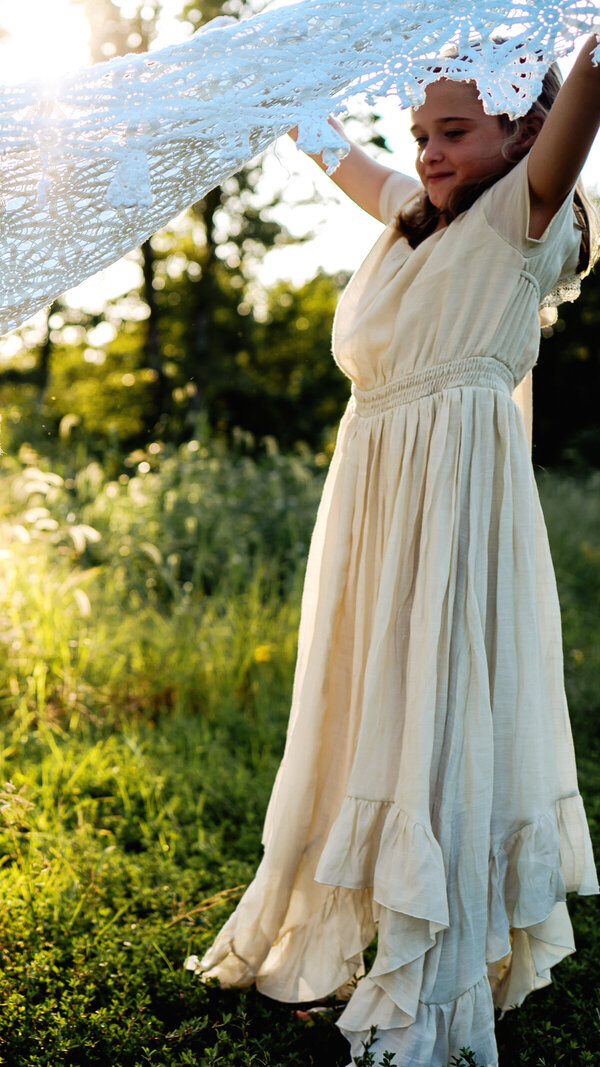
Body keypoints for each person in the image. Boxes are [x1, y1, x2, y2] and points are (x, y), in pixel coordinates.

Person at [192, 39, 600, 1067]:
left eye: (451, 131)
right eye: (419, 133)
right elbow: (325, 145)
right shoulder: (408, 222)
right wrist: (269, 72)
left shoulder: (519, 218)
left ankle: (430, 974)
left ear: (520, 132)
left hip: (454, 494)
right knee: (364, 692)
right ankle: (330, 932)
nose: (425, 151)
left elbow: (584, 93)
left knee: (436, 701)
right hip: (373, 489)